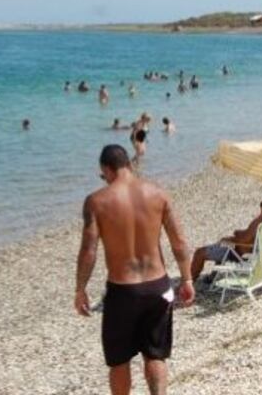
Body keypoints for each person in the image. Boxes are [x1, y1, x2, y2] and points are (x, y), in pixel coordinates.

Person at [74, 145, 194, 395]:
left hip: (122, 291)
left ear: (106, 169)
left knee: (119, 361)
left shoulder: (97, 201)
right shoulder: (158, 194)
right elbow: (179, 242)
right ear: (128, 164)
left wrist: (80, 289)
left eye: (103, 175)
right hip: (158, 286)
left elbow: (89, 251)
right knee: (156, 355)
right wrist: (187, 279)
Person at [190, 192, 262, 280]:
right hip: (253, 253)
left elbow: (244, 240)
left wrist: (229, 240)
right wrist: (238, 233)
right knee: (223, 243)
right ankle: (213, 277)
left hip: (238, 253)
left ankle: (189, 282)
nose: (261, 205)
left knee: (199, 253)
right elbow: (250, 236)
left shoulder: (260, 221)